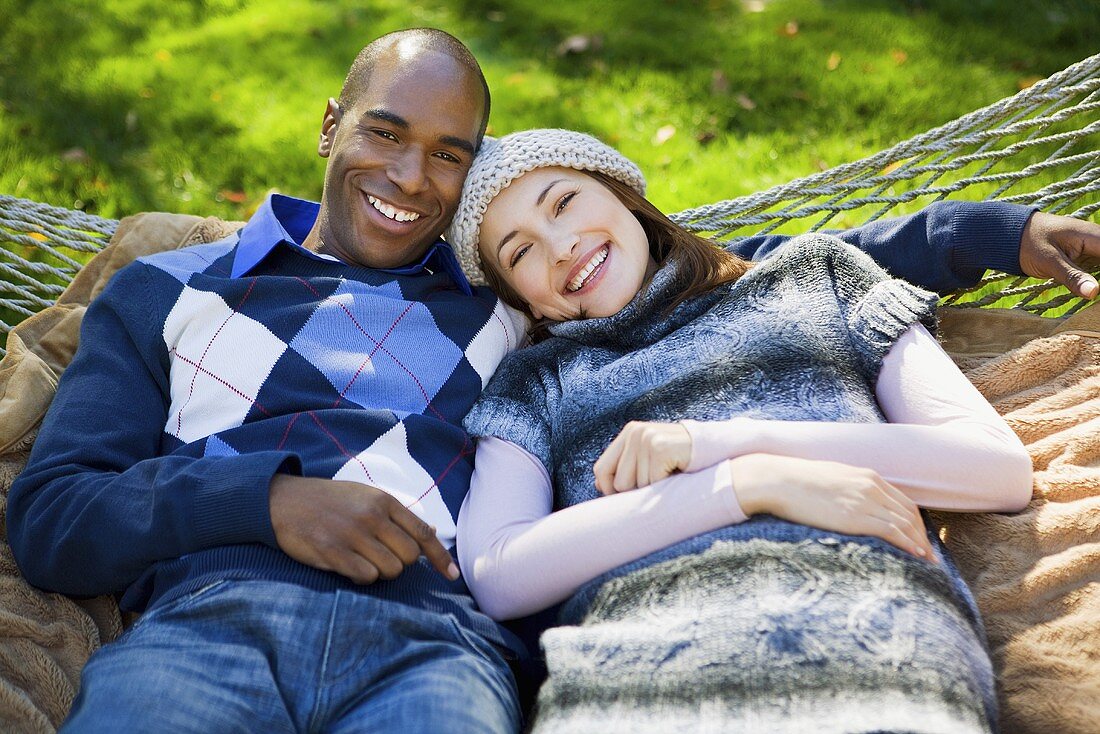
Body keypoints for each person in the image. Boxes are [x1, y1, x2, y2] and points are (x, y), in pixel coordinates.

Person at [5, 26, 1098, 732]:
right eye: (384, 132)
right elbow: (53, 515)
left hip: (433, 642)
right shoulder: (165, 290)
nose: (409, 175)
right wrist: (265, 499)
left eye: (449, 153)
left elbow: (736, 268)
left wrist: (980, 231)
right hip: (212, 620)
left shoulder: (504, 301)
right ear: (330, 125)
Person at [442, 129, 1097, 732]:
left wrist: (724, 443)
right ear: (522, 299)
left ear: (622, 193)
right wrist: (739, 486)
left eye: (563, 203)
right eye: (520, 250)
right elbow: (499, 571)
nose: (560, 248)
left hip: (870, 643)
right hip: (634, 677)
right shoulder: (535, 383)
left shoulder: (815, 277)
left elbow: (992, 468)